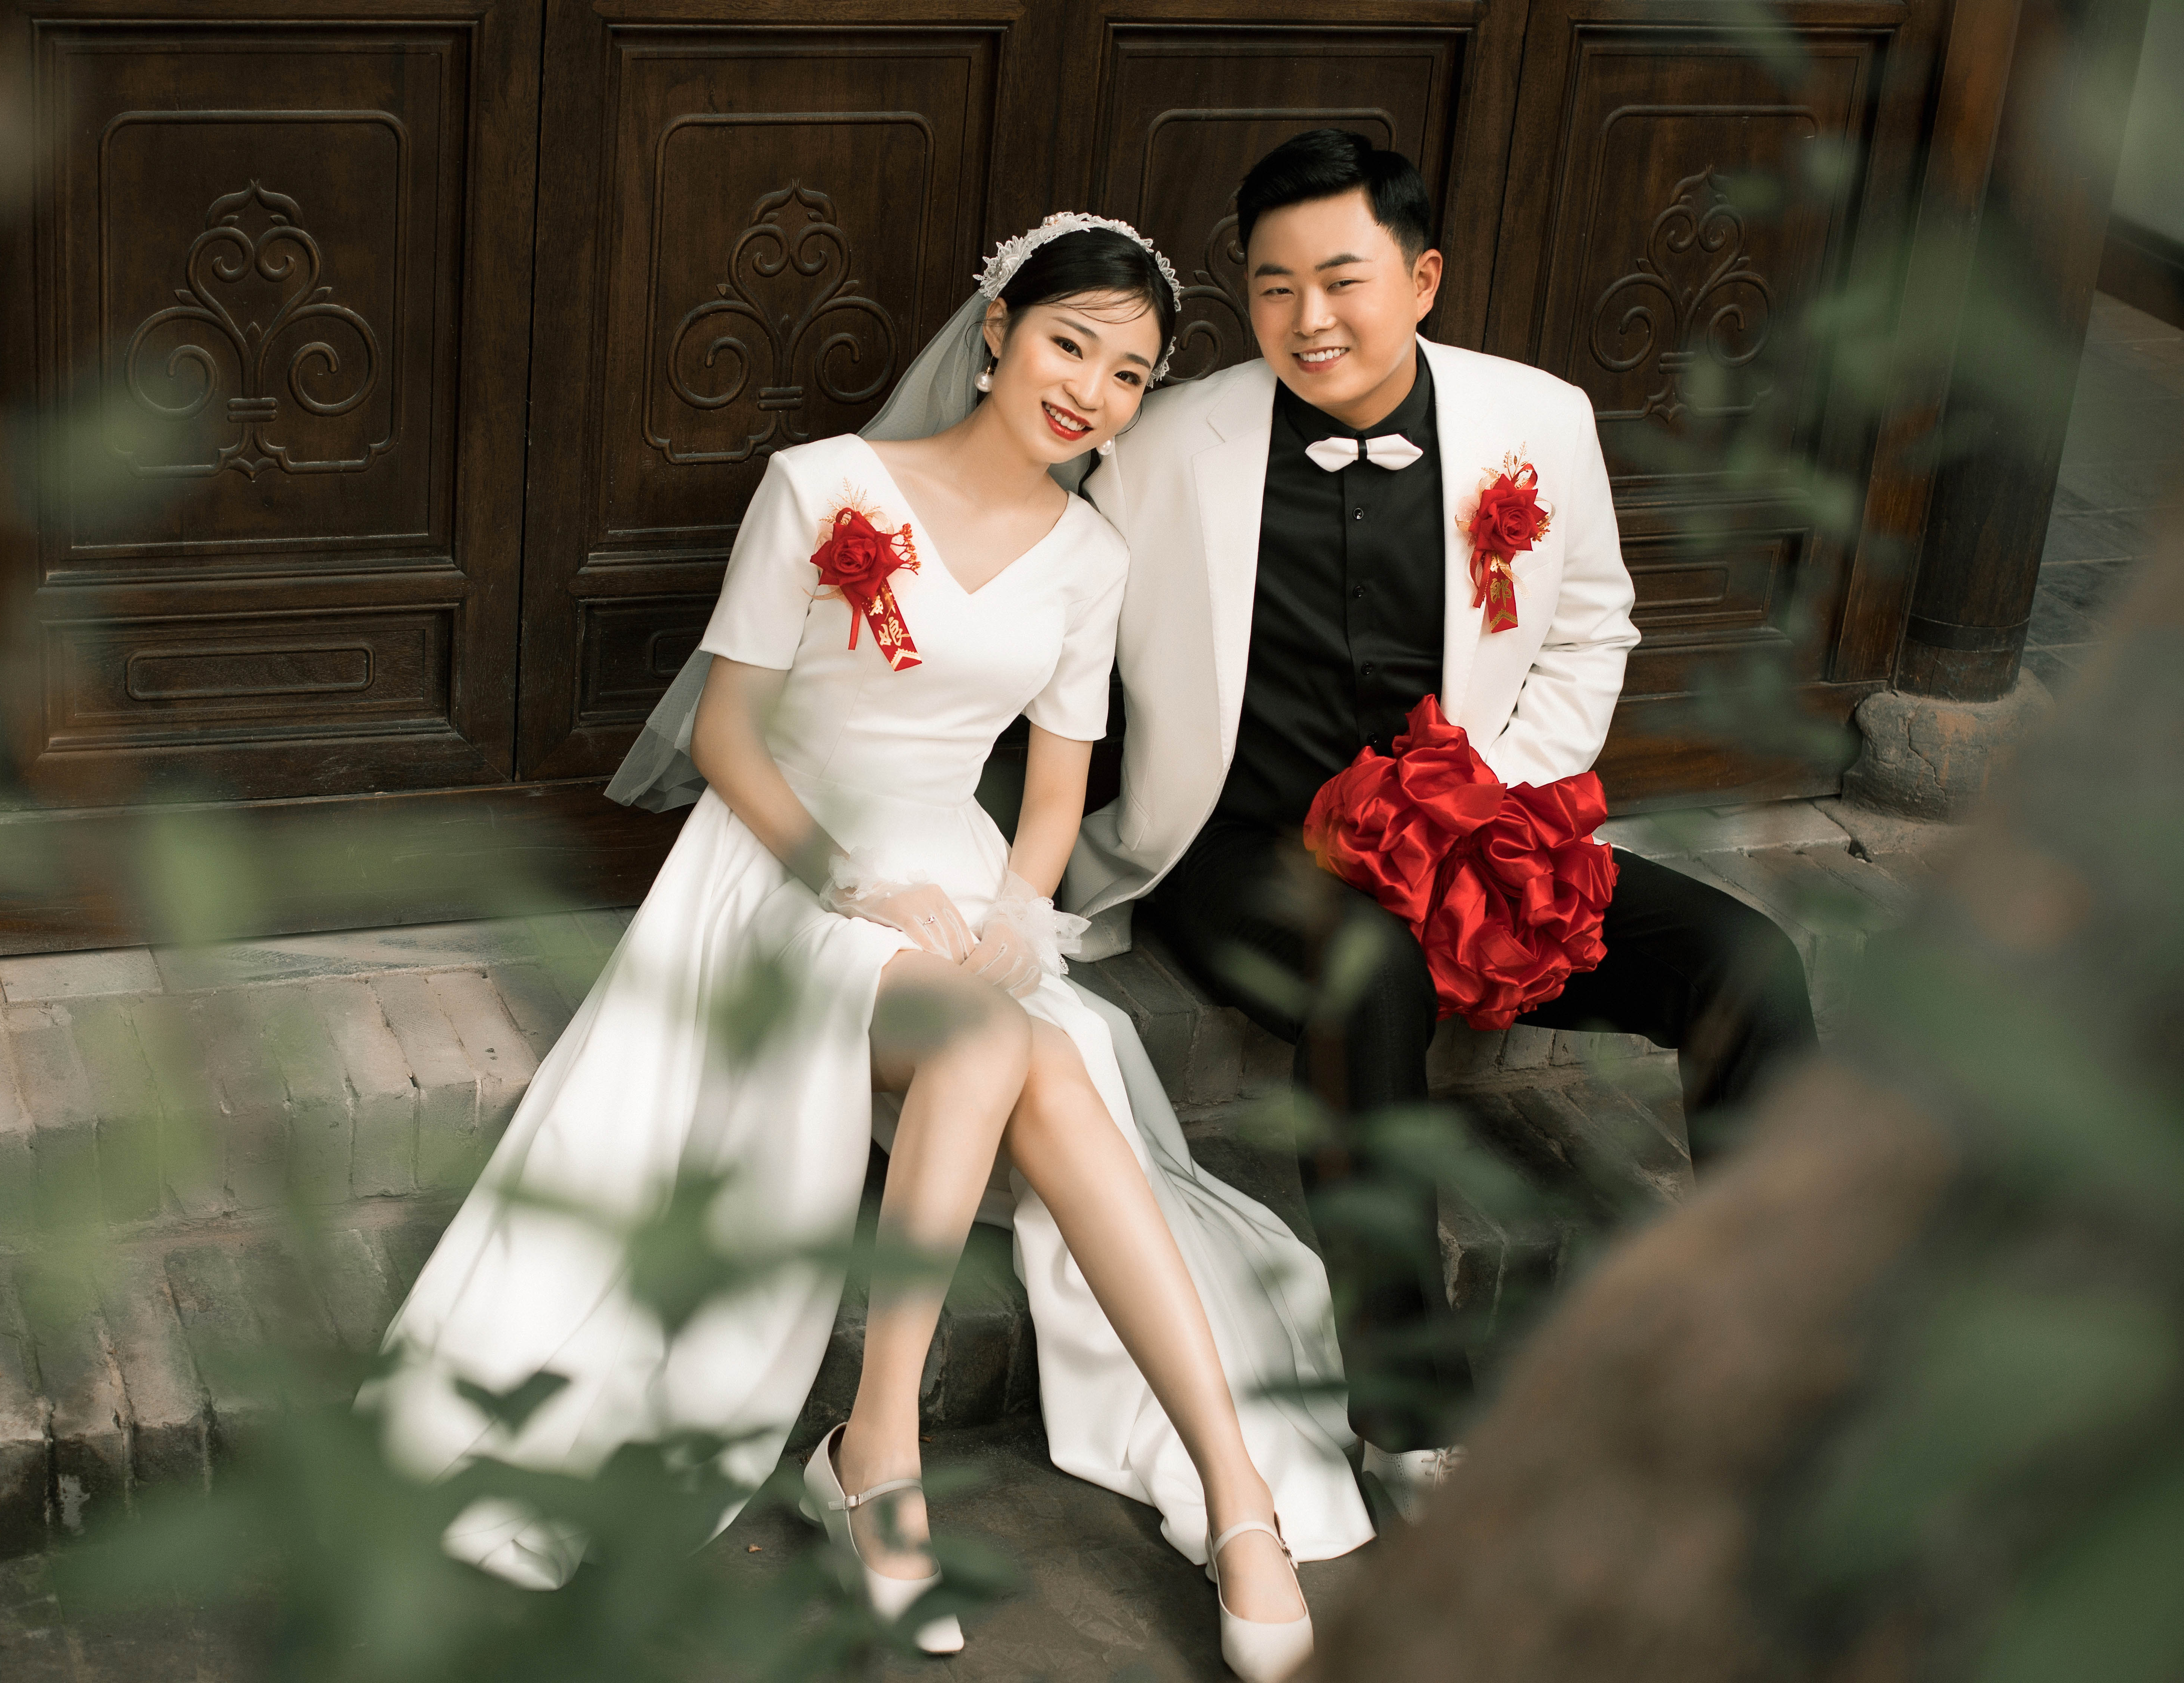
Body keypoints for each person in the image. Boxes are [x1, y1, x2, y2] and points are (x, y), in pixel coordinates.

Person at [368, 214, 1368, 1682]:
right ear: (997, 332)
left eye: (1131, 375)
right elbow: (727, 734)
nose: (1092, 391)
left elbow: (1051, 798)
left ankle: (1234, 1499)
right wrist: (851, 885)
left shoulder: (1090, 558)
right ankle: (885, 1457)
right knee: (997, 1045)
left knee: (1029, 1049)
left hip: (958, 879)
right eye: (1071, 344)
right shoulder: (822, 486)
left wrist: (1016, 920)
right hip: (787, 861)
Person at [1067, 131, 1821, 1503]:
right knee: (1367, 978)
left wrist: (1492, 806)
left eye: (1342, 279)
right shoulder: (1165, 446)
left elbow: (1592, 629)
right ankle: (1407, 1421)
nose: (1308, 318)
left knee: (1746, 966)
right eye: (1275, 286)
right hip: (1246, 848)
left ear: (1421, 280)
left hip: (1481, 836)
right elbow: (1062, 642)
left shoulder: (1541, 419)